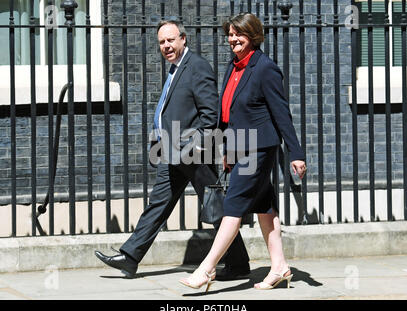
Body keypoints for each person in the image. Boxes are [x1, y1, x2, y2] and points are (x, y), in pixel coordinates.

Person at [95, 20, 250, 279]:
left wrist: (194, 147)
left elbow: (210, 115)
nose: (166, 46)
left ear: (183, 39)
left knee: (215, 207)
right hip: (174, 152)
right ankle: (131, 257)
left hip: (194, 153)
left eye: (170, 40)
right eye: (162, 42)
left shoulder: (197, 67)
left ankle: (239, 264)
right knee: (159, 204)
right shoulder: (176, 68)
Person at [179, 13, 307, 292]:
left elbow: (281, 114)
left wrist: (296, 153)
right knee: (264, 205)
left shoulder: (265, 69)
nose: (233, 39)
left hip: (259, 147)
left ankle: (207, 268)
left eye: (239, 34)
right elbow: (228, 112)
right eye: (230, 34)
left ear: (253, 37)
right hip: (240, 145)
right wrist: (227, 148)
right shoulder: (234, 66)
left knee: (233, 205)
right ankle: (280, 266)